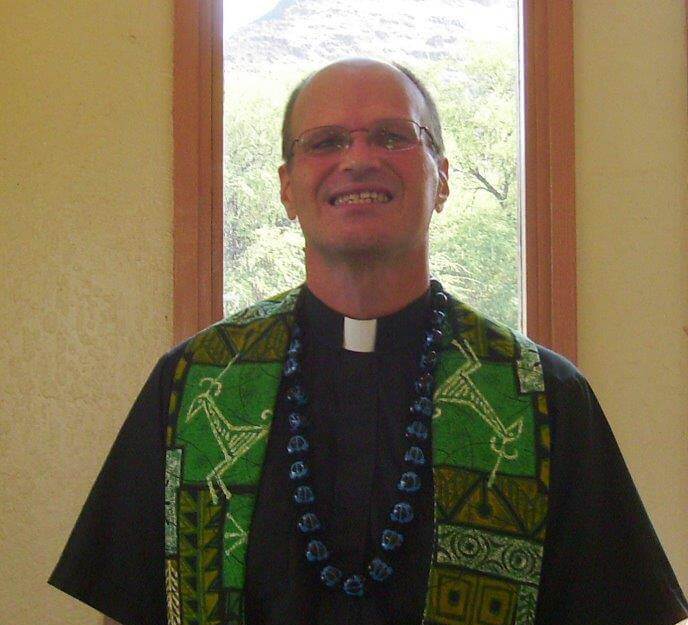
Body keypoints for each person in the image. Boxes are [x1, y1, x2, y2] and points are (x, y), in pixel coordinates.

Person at [49, 58, 688, 625]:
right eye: (326, 141)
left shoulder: (543, 396)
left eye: (392, 136)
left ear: (442, 178)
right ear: (287, 187)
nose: (357, 159)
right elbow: (131, 608)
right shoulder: (192, 384)